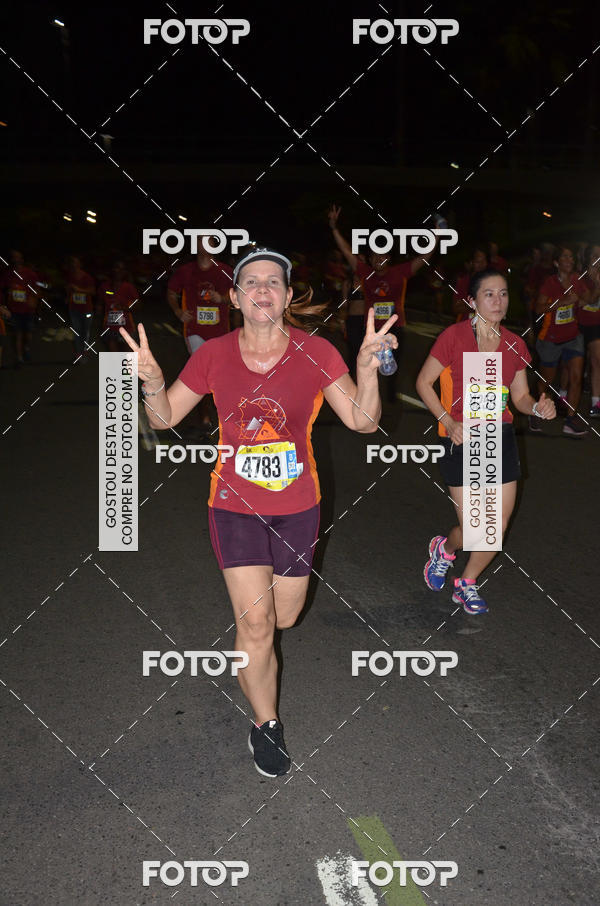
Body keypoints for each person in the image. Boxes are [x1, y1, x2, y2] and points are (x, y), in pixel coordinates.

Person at [120, 247, 398, 778]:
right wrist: (152, 381)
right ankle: (266, 723)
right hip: (234, 507)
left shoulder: (317, 352)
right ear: (235, 297)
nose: (263, 289)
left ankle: (255, 661)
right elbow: (163, 418)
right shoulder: (213, 354)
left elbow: (363, 422)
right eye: (251, 281)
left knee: (285, 617)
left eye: (274, 281)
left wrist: (367, 372)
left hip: (298, 507)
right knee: (256, 623)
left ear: (288, 296)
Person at [416, 268, 556, 614]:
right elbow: (423, 383)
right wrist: (448, 421)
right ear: (472, 301)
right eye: (489, 294)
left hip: (498, 437)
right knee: (475, 528)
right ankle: (445, 550)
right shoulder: (454, 336)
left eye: (503, 293)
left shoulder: (515, 344)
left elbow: (520, 397)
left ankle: (466, 582)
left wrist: (536, 408)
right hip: (461, 437)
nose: (497, 301)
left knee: (495, 528)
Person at [328, 203, 432, 402]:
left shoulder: (400, 272)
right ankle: (364, 397)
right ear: (370, 259)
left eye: (382, 256)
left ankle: (391, 397)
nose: (378, 259)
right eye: (374, 256)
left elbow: (424, 257)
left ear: (388, 258)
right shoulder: (365, 273)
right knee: (367, 364)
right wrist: (334, 228)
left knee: (393, 365)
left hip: (395, 327)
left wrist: (436, 237)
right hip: (372, 330)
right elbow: (346, 251)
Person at [167, 240, 233, 434]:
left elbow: (239, 294)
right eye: (200, 242)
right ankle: (204, 417)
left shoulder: (225, 271)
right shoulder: (186, 271)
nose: (204, 246)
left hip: (220, 332)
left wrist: (222, 298)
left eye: (209, 241)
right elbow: (171, 292)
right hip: (194, 330)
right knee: (202, 370)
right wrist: (178, 311)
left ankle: (221, 412)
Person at [532, 245, 590, 437]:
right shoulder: (549, 283)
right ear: (557, 262)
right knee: (546, 381)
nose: (569, 260)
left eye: (571, 257)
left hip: (573, 336)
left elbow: (587, 299)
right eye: (565, 257)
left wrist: (596, 286)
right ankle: (536, 409)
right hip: (551, 338)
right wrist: (562, 303)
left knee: (576, 377)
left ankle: (570, 420)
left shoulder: (576, 280)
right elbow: (539, 308)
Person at [0, 250, 38, 366]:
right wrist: (3, 305)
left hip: (28, 309)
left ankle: (26, 348)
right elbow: (1, 289)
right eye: (14, 257)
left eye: (18, 257)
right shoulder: (7, 274)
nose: (16, 259)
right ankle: (19, 358)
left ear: (22, 259)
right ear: (11, 260)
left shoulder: (30, 273)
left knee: (28, 335)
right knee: (17, 334)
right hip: (14, 310)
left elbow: (36, 289)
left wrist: (33, 299)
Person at [97, 262, 139, 352]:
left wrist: (124, 308)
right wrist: (99, 309)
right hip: (109, 328)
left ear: (124, 272)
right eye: (116, 268)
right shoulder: (104, 286)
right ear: (112, 270)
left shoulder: (129, 287)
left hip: (127, 328)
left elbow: (137, 305)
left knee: (127, 357)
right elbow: (99, 302)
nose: (118, 271)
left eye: (121, 269)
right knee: (114, 357)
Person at [579, 244, 600, 417]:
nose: (598, 260)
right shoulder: (580, 278)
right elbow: (589, 300)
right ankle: (562, 395)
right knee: (572, 366)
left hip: (596, 325)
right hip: (577, 325)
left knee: (596, 360)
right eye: (595, 256)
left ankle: (595, 403)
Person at [65, 256, 95, 360]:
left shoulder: (87, 277)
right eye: (72, 263)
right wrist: (68, 296)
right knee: (76, 331)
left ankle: (84, 351)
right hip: (74, 309)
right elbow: (68, 290)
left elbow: (92, 291)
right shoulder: (69, 277)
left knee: (85, 331)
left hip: (87, 309)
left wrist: (79, 290)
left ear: (80, 264)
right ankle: (78, 352)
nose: (73, 265)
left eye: (75, 263)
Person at [453, 248, 488, 321]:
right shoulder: (464, 281)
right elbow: (456, 308)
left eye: (483, 261)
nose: (481, 264)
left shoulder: (492, 282)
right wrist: (474, 305)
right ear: (471, 263)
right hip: (465, 324)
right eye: (478, 261)